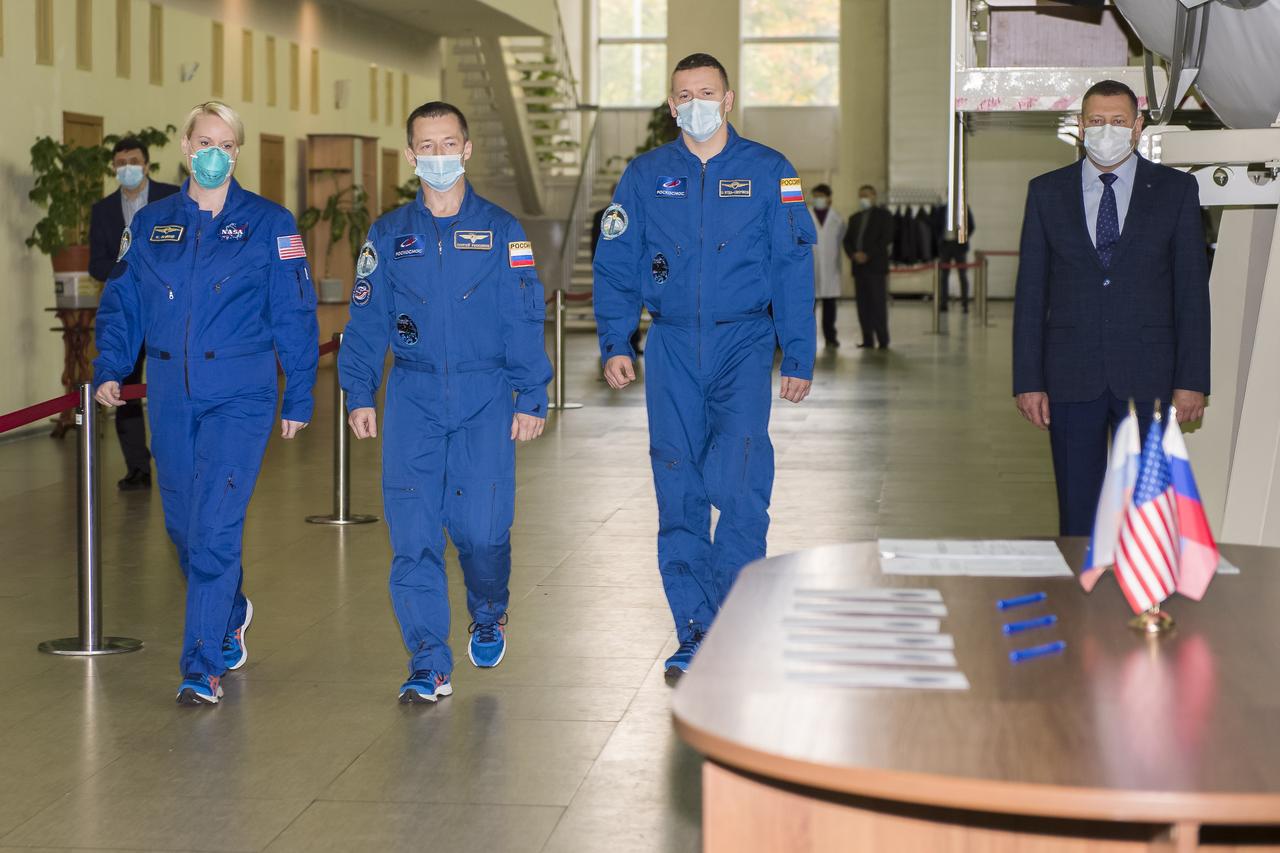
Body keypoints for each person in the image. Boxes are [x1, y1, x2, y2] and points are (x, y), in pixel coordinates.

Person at [593, 53, 815, 682]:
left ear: (728, 99)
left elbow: (793, 267)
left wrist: (798, 351)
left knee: (742, 482)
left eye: (706, 92)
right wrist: (616, 339)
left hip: (744, 342)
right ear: (671, 106)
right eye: (683, 94)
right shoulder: (644, 176)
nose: (695, 103)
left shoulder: (771, 172)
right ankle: (696, 629)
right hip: (670, 347)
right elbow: (615, 263)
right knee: (678, 487)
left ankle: (736, 620)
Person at [93, 101, 318, 705]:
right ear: (187, 147)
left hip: (241, 395)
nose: (213, 152)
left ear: (237, 152)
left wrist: (299, 390)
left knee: (215, 529)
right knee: (183, 528)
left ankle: (201, 664)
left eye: (226, 142)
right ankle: (232, 608)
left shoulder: (271, 222)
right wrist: (111, 366)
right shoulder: (152, 224)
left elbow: (294, 311)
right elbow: (123, 304)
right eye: (204, 141)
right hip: (170, 394)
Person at [339, 101, 552, 704]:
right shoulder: (387, 235)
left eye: (447, 143)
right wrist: (360, 390)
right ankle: (429, 659)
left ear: (466, 150)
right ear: (410, 155)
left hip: (486, 398)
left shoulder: (504, 230)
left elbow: (523, 315)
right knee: (414, 537)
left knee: (482, 534)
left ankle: (488, 610)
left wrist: (531, 393)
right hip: (414, 397)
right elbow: (366, 319)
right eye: (424, 146)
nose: (436, 156)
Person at [1013, 79, 1209, 536]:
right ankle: (1083, 597)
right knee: (1078, 511)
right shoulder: (1046, 192)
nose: (1107, 131)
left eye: (1118, 122)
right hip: (1069, 376)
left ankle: (1147, 600)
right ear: (1080, 127)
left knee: (1149, 510)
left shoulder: (1176, 192)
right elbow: (1030, 294)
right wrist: (1028, 381)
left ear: (1138, 127)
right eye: (1097, 122)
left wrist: (1192, 380)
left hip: (1150, 376)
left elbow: (1191, 293)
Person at [88, 138, 179, 490]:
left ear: (147, 165)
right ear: (114, 167)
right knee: (122, 387)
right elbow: (96, 263)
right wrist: (127, 275)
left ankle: (173, 459)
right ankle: (137, 466)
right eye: (120, 161)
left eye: (133, 160)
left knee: (169, 383)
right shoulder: (104, 210)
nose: (127, 166)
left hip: (164, 312)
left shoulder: (171, 198)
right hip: (126, 312)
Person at [842, 185, 894, 349]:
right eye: (861, 196)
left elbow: (886, 238)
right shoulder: (854, 218)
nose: (863, 199)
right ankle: (867, 339)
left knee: (878, 304)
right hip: (859, 268)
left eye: (866, 195)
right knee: (863, 305)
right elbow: (847, 241)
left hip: (876, 267)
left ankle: (883, 340)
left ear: (874, 196)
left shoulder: (884, 216)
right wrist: (854, 255)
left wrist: (868, 254)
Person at [592, 186, 642, 355]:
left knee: (633, 309)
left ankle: (633, 343)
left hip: (633, 268)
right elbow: (599, 243)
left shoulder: (637, 215)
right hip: (614, 266)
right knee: (616, 306)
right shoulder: (601, 215)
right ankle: (615, 346)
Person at [809, 184, 846, 348]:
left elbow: (841, 242)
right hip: (811, 267)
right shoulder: (806, 215)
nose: (818, 199)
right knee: (809, 308)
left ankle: (830, 337)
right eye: (815, 196)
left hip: (831, 268)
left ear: (829, 198)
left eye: (821, 196)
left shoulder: (837, 219)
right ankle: (808, 339)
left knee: (830, 307)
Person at [933, 202, 975, 313]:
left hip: (959, 246)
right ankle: (944, 303)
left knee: (962, 275)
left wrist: (963, 237)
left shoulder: (964, 208)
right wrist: (939, 240)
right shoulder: (941, 209)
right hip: (945, 245)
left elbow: (971, 226)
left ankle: (965, 304)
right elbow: (936, 226)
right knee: (944, 277)